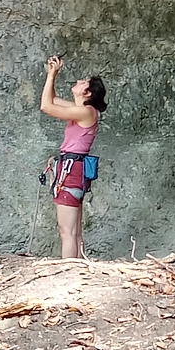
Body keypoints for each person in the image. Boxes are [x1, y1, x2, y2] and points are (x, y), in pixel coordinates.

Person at [41, 55, 106, 259]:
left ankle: (68, 271)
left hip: (71, 169)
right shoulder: (82, 110)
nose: (78, 81)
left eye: (83, 82)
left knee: (67, 231)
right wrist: (52, 75)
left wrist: (52, 74)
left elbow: (45, 107)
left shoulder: (85, 112)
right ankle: (77, 268)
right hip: (73, 168)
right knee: (74, 232)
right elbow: (50, 99)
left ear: (87, 93)